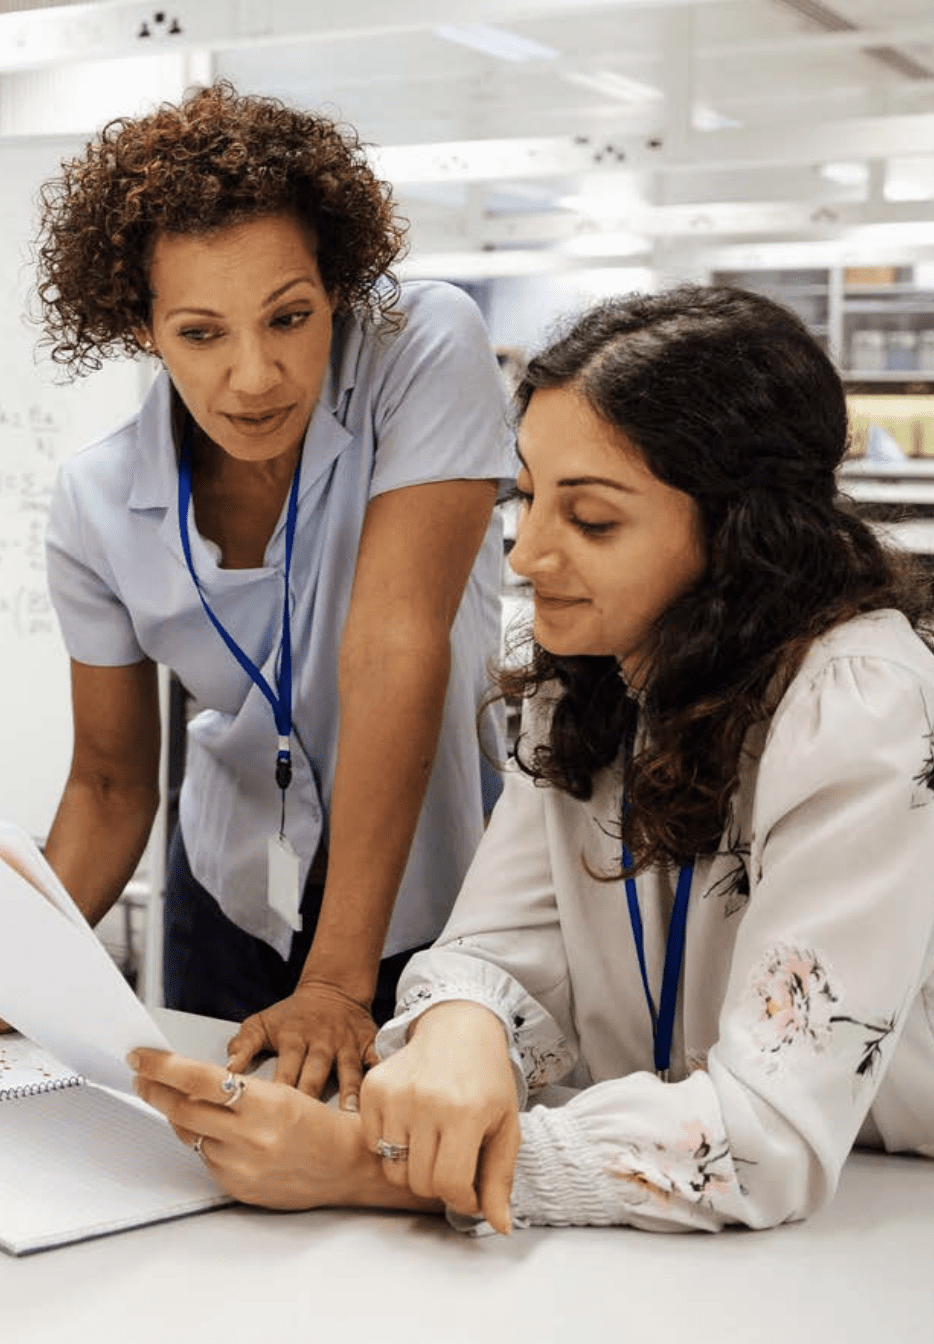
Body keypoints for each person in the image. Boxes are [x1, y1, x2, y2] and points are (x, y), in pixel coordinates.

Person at [131, 283, 934, 1234]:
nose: (526, 555)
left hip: (876, 1211)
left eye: (591, 520)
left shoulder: (862, 705)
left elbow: (766, 1137)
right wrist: (462, 1029)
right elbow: (492, 943)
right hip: (680, 1219)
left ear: (741, 534)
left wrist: (372, 1165)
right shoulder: (596, 672)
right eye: (527, 496)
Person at [31, 81, 513, 1110]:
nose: (254, 377)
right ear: (142, 327)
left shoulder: (422, 348)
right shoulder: (97, 500)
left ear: (337, 287)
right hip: (231, 886)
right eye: (201, 333)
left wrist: (335, 983)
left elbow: (393, 643)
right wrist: (21, 979)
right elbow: (109, 786)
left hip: (434, 874)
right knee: (208, 1171)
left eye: (289, 317)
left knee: (403, 1165)